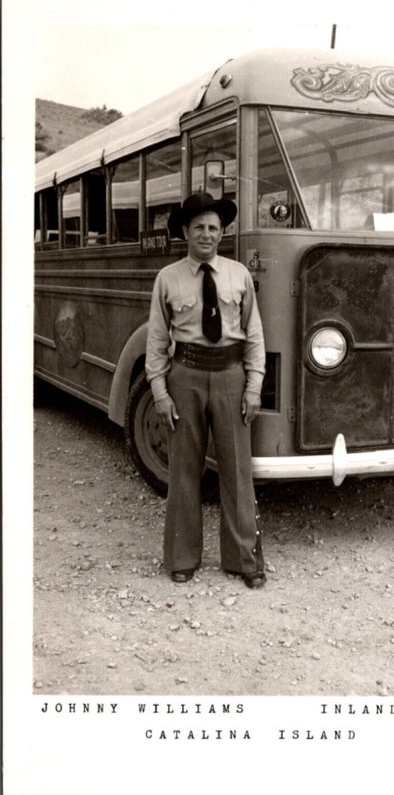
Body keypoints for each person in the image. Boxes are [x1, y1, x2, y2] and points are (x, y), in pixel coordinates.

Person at [146, 192, 266, 588]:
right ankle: (182, 558)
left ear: (222, 232)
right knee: (184, 469)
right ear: (185, 231)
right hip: (187, 377)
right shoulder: (168, 278)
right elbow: (158, 341)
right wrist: (160, 392)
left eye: (213, 227)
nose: (206, 234)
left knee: (237, 469)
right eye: (198, 227)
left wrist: (254, 385)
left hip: (232, 376)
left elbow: (253, 334)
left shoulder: (238, 275)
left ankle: (244, 560)